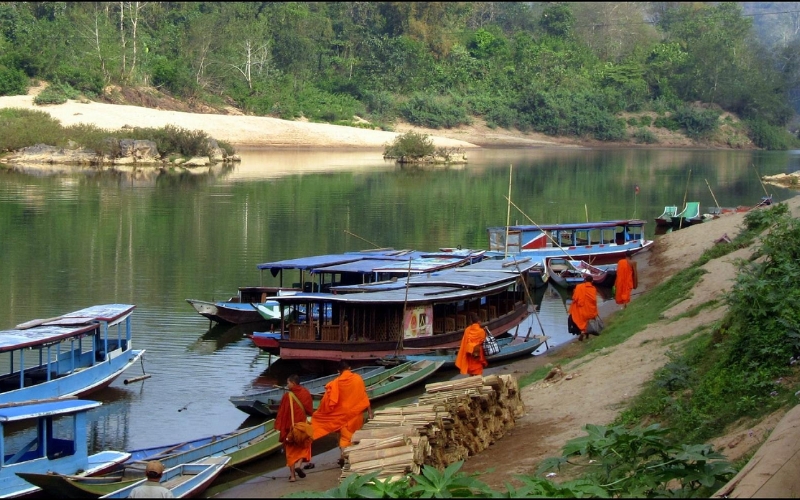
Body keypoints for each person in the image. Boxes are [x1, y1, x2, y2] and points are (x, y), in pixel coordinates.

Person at [311, 360, 373, 467]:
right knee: (354, 435)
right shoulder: (358, 379)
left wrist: (322, 413)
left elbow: (327, 401)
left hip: (342, 414)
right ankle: (348, 457)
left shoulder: (336, 383)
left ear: (338, 371)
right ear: (349, 368)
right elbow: (364, 396)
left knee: (344, 438)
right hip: (356, 414)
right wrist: (370, 412)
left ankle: (345, 456)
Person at [274, 374, 315, 482]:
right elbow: (309, 411)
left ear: (293, 383)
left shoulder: (287, 396)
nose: (287, 385)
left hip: (290, 428)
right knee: (304, 447)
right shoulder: (305, 392)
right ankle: (299, 465)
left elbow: (282, 414)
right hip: (302, 427)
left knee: (290, 452)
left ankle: (292, 476)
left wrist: (280, 426)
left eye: (288, 383)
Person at [455, 312, 488, 376]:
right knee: (478, 368)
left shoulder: (467, 330)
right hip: (477, 352)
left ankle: (472, 378)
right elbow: (482, 340)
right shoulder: (481, 331)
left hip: (469, 352)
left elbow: (464, 341)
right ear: (478, 322)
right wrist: (485, 331)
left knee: (471, 368)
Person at [569, 275, 599, 341]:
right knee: (587, 321)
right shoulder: (593, 289)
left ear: (585, 280)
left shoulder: (579, 287)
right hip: (590, 309)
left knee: (581, 321)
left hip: (581, 309)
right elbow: (594, 300)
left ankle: (582, 332)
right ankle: (586, 334)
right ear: (592, 281)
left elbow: (575, 298)